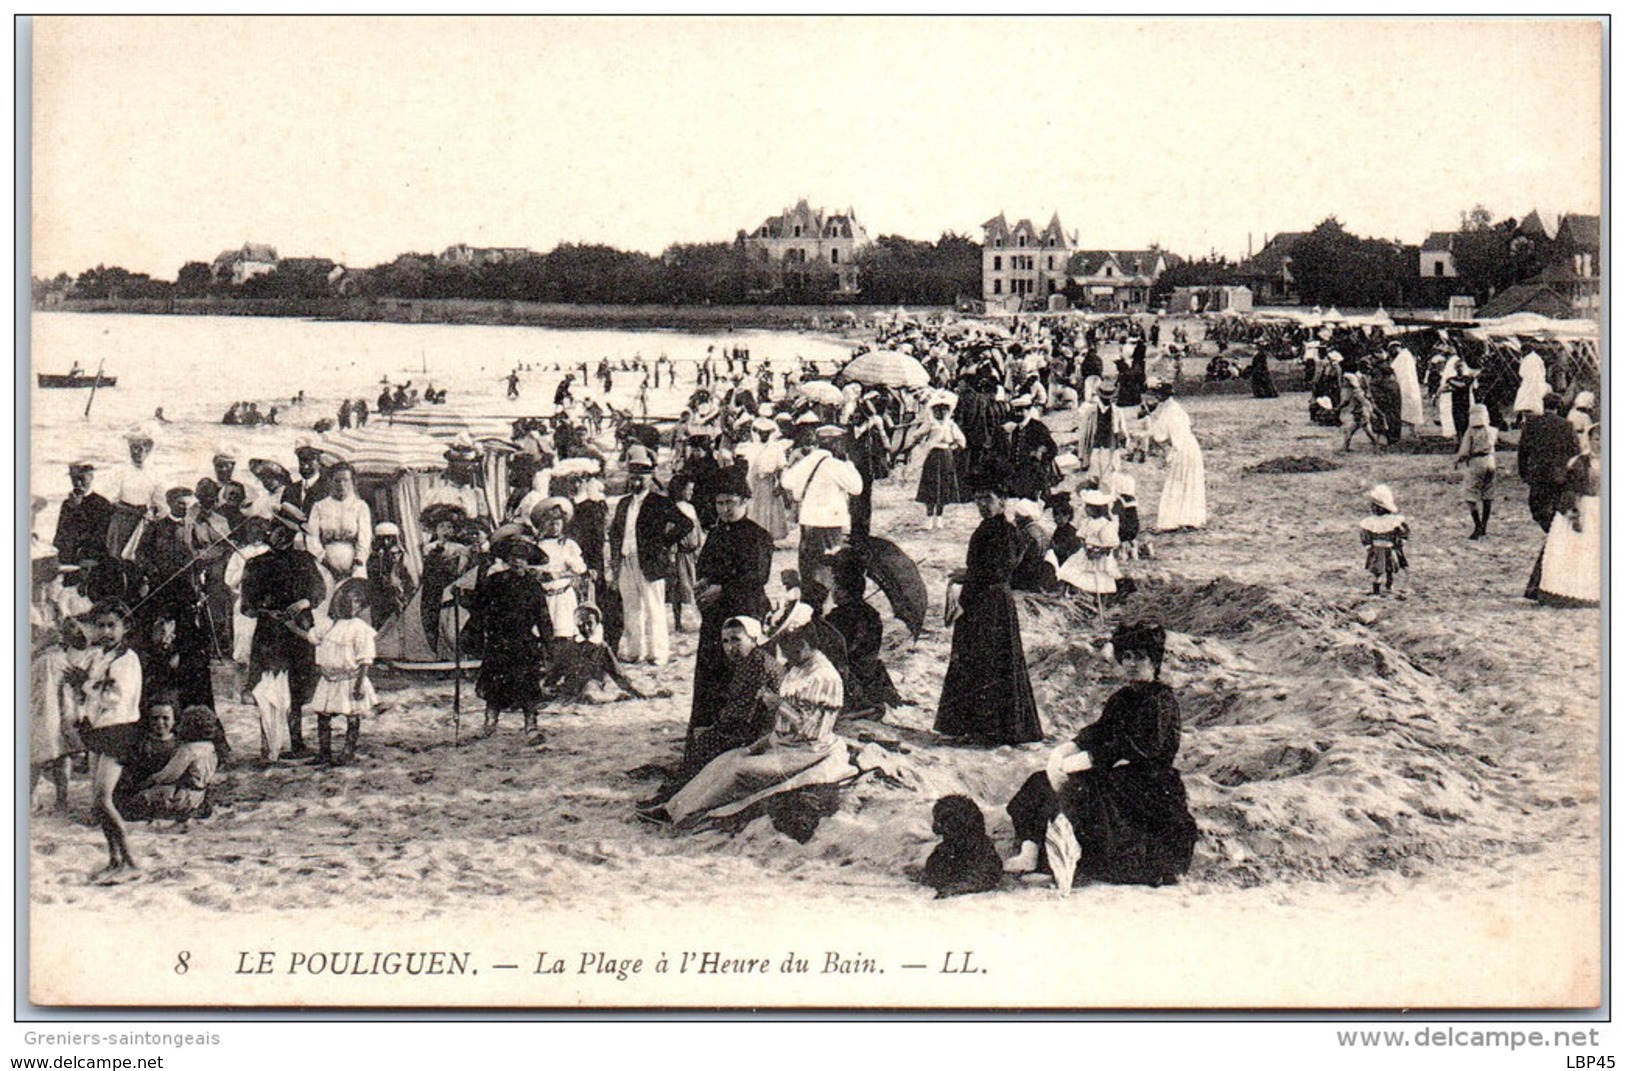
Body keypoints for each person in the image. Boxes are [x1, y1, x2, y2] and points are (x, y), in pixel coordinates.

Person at [1003, 622, 1198, 887]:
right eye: (1126, 657)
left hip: (1147, 784)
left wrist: (1089, 760)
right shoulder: (1122, 697)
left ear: (1154, 661)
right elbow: (1100, 730)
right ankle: (1030, 850)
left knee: (1081, 794)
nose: (1131, 664)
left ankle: (1057, 862)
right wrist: (1069, 749)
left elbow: (1141, 747)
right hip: (1116, 772)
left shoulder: (1160, 701)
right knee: (1041, 781)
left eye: (1139, 657)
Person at [645, 621, 848, 829]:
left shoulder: (822, 677)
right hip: (782, 743)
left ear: (804, 644)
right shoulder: (800, 667)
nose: (784, 655)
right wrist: (758, 745)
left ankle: (687, 813)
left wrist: (778, 705)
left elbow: (808, 729)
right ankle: (673, 807)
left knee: (739, 770)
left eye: (787, 648)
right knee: (726, 759)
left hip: (806, 751)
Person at [934, 484, 1043, 746]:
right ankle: (971, 726)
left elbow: (999, 571)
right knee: (974, 659)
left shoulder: (1006, 532)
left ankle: (991, 730)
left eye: (988, 498)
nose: (982, 504)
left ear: (1002, 501)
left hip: (992, 604)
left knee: (990, 661)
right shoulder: (988, 528)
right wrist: (969, 574)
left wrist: (967, 575)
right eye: (978, 499)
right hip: (978, 600)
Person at [689, 466, 774, 735]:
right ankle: (709, 727)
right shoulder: (716, 532)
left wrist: (723, 589)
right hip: (715, 616)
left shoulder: (757, 535)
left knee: (739, 671)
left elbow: (757, 576)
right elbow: (703, 564)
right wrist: (702, 583)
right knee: (711, 672)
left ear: (745, 502)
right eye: (719, 503)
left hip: (744, 612)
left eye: (731, 503)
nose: (725, 509)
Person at [241, 503, 325, 761]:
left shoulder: (304, 561)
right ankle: (270, 746)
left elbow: (319, 592)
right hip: (270, 633)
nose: (281, 536)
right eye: (277, 529)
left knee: (297, 687)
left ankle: (297, 742)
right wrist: (266, 611)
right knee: (269, 686)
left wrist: (304, 603)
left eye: (287, 533)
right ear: (270, 529)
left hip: (298, 630)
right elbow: (247, 607)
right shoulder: (256, 564)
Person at [71, 601, 144, 882]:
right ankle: (114, 859)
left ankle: (131, 861)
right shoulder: (102, 655)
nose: (106, 631)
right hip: (101, 729)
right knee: (96, 801)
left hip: (119, 730)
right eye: (100, 625)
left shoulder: (127, 659)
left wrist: (85, 684)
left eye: (112, 625)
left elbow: (114, 698)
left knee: (103, 800)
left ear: (125, 628)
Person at [609, 445, 693, 667]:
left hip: (650, 562)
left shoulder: (658, 501)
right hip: (626, 561)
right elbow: (616, 532)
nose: (636, 482)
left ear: (650, 477)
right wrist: (616, 559)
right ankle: (636, 651)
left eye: (641, 477)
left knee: (654, 608)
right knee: (632, 608)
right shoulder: (624, 503)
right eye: (633, 477)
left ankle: (658, 653)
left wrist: (663, 544)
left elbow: (686, 524)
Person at [472, 537, 553, 737]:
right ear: (507, 559)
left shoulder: (533, 586)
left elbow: (543, 617)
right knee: (494, 684)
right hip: (498, 641)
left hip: (523, 641)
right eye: (514, 557)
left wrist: (548, 644)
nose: (518, 562)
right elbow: (479, 605)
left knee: (528, 684)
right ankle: (490, 722)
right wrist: (462, 597)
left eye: (522, 558)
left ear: (528, 561)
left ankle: (530, 724)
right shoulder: (495, 581)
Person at [781, 426, 864, 596]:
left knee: (809, 566)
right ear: (833, 442)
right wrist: (848, 463)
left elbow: (787, 481)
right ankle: (828, 602)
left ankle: (812, 601)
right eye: (840, 442)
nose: (843, 445)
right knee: (831, 566)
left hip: (808, 521)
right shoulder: (835, 465)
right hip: (830, 523)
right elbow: (857, 488)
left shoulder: (808, 460)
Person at [1529, 423, 1601, 608]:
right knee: (1575, 551)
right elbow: (1570, 491)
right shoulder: (1580, 463)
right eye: (1597, 439)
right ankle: (1570, 593)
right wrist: (1573, 514)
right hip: (1583, 508)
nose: (1600, 444)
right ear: (1590, 440)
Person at [308, 579, 378, 766]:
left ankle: (348, 751)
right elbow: (312, 637)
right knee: (323, 716)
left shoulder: (360, 629)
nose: (351, 606)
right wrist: (291, 626)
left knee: (351, 715)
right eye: (347, 600)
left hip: (349, 679)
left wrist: (359, 685)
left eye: (357, 602)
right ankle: (324, 751)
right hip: (328, 680)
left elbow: (365, 660)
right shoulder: (328, 625)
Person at [827, 557, 903, 718]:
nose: (833, 591)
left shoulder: (838, 616)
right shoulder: (872, 613)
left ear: (846, 592)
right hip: (869, 669)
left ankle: (854, 707)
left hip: (851, 673)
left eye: (837, 588)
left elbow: (834, 649)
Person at [1142, 384, 1207, 531]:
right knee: (1189, 481)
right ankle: (1188, 518)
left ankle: (1173, 521)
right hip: (1189, 446)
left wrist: (1146, 429)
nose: (1156, 397)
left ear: (1162, 395)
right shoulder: (1171, 407)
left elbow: (1160, 434)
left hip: (1182, 448)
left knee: (1177, 482)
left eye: (1157, 394)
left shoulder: (1170, 410)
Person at [1518, 392, 1582, 532]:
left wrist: (1523, 473)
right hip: (1559, 475)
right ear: (1558, 407)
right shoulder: (1567, 425)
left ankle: (1552, 533)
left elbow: (1522, 452)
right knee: (1556, 508)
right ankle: (1554, 532)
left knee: (1537, 509)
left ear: (1543, 405)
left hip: (1538, 474)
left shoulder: (1531, 425)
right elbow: (1576, 452)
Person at [305, 462, 372, 591]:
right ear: (330, 482)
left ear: (353, 482)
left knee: (353, 599)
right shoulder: (319, 506)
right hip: (325, 562)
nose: (341, 485)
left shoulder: (360, 506)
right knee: (326, 600)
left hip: (354, 564)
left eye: (346, 480)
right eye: (337, 481)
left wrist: (357, 563)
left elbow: (365, 539)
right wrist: (326, 562)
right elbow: (312, 539)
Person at [104, 424, 166, 561]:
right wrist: (124, 510)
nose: (136, 452)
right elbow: (110, 500)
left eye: (140, 449)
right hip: (121, 519)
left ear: (148, 450)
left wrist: (153, 511)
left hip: (142, 521)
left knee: (137, 558)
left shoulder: (155, 473)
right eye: (133, 448)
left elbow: (160, 503)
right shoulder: (121, 470)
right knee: (117, 557)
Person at [530, 497, 588, 642]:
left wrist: (559, 574)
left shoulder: (568, 545)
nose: (554, 527)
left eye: (557, 523)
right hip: (542, 597)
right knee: (543, 634)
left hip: (562, 597)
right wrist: (537, 574)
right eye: (550, 523)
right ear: (542, 524)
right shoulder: (535, 545)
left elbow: (580, 569)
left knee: (563, 633)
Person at [910, 389, 965, 529]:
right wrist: (922, 440)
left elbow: (961, 441)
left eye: (944, 410)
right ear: (933, 410)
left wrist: (953, 445)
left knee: (944, 486)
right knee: (931, 486)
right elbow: (917, 435)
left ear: (949, 411)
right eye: (938, 409)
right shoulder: (930, 423)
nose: (941, 413)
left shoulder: (951, 425)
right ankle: (929, 518)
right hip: (933, 456)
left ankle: (939, 517)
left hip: (946, 455)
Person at [736, 417, 791, 540]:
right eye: (761, 432)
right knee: (754, 509)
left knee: (769, 510)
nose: (763, 435)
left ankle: (768, 536)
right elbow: (746, 467)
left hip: (769, 482)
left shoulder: (776, 447)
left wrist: (780, 485)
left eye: (766, 432)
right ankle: (755, 535)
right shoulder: (751, 447)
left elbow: (781, 467)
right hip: (754, 481)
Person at [54, 461, 114, 569]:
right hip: (68, 560)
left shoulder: (103, 504)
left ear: (91, 477)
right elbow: (60, 535)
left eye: (82, 479)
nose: (77, 483)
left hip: (92, 560)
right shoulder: (66, 504)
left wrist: (77, 509)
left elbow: (100, 538)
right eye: (74, 479)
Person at [665, 474, 704, 632]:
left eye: (692, 490)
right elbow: (671, 535)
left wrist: (699, 547)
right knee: (679, 589)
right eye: (688, 490)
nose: (690, 493)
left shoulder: (691, 508)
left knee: (697, 586)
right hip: (680, 555)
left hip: (692, 554)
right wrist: (672, 556)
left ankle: (700, 619)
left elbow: (698, 530)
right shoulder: (674, 510)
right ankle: (677, 620)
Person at [1453, 404, 1498, 540]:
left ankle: (1477, 526)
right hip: (1490, 460)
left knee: (1471, 494)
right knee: (1487, 494)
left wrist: (1457, 461)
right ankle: (1484, 525)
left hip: (1476, 462)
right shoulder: (1493, 430)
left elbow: (1465, 451)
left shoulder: (1471, 431)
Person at [1359, 484, 1410, 596]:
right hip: (1377, 549)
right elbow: (1365, 534)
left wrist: (1400, 541)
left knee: (1389, 568)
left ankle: (1389, 586)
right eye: (1372, 506)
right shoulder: (1371, 522)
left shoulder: (1393, 521)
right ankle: (1376, 589)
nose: (1373, 508)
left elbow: (1403, 531)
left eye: (1376, 506)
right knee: (1377, 570)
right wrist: (1368, 545)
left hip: (1389, 548)